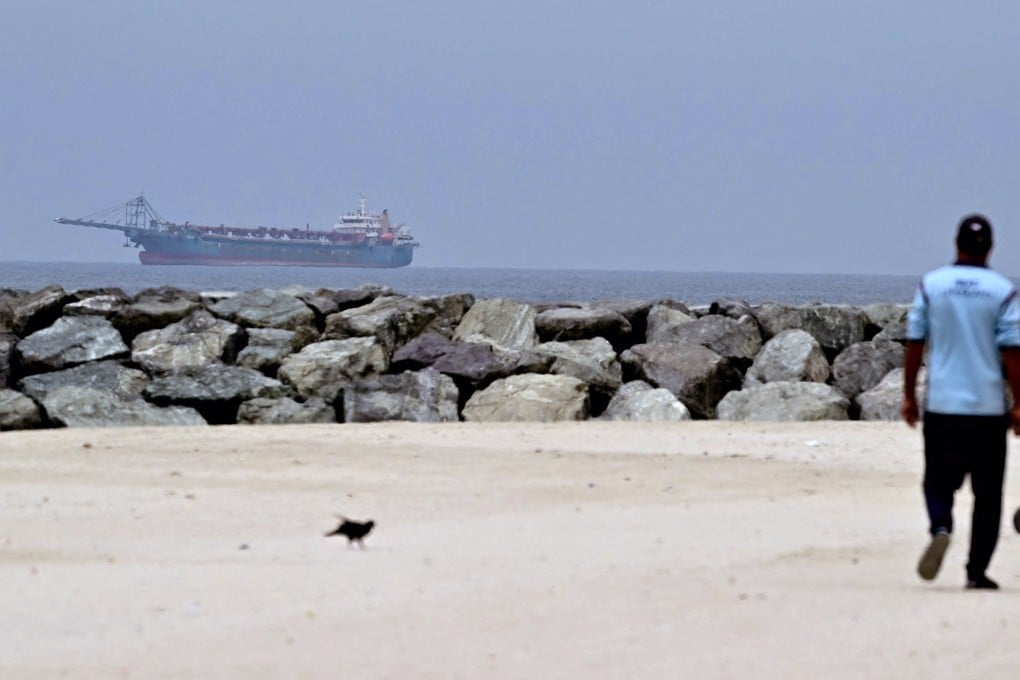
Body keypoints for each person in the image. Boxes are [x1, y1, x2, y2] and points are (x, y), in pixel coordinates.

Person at [902, 213, 1020, 590]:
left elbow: (915, 342)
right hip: (987, 408)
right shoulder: (1002, 290)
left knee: (937, 481)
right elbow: (1012, 353)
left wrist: (908, 396)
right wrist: (1019, 403)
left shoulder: (932, 285)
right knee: (987, 495)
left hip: (943, 405)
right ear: (990, 247)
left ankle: (940, 526)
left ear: (956, 244)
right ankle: (976, 572)